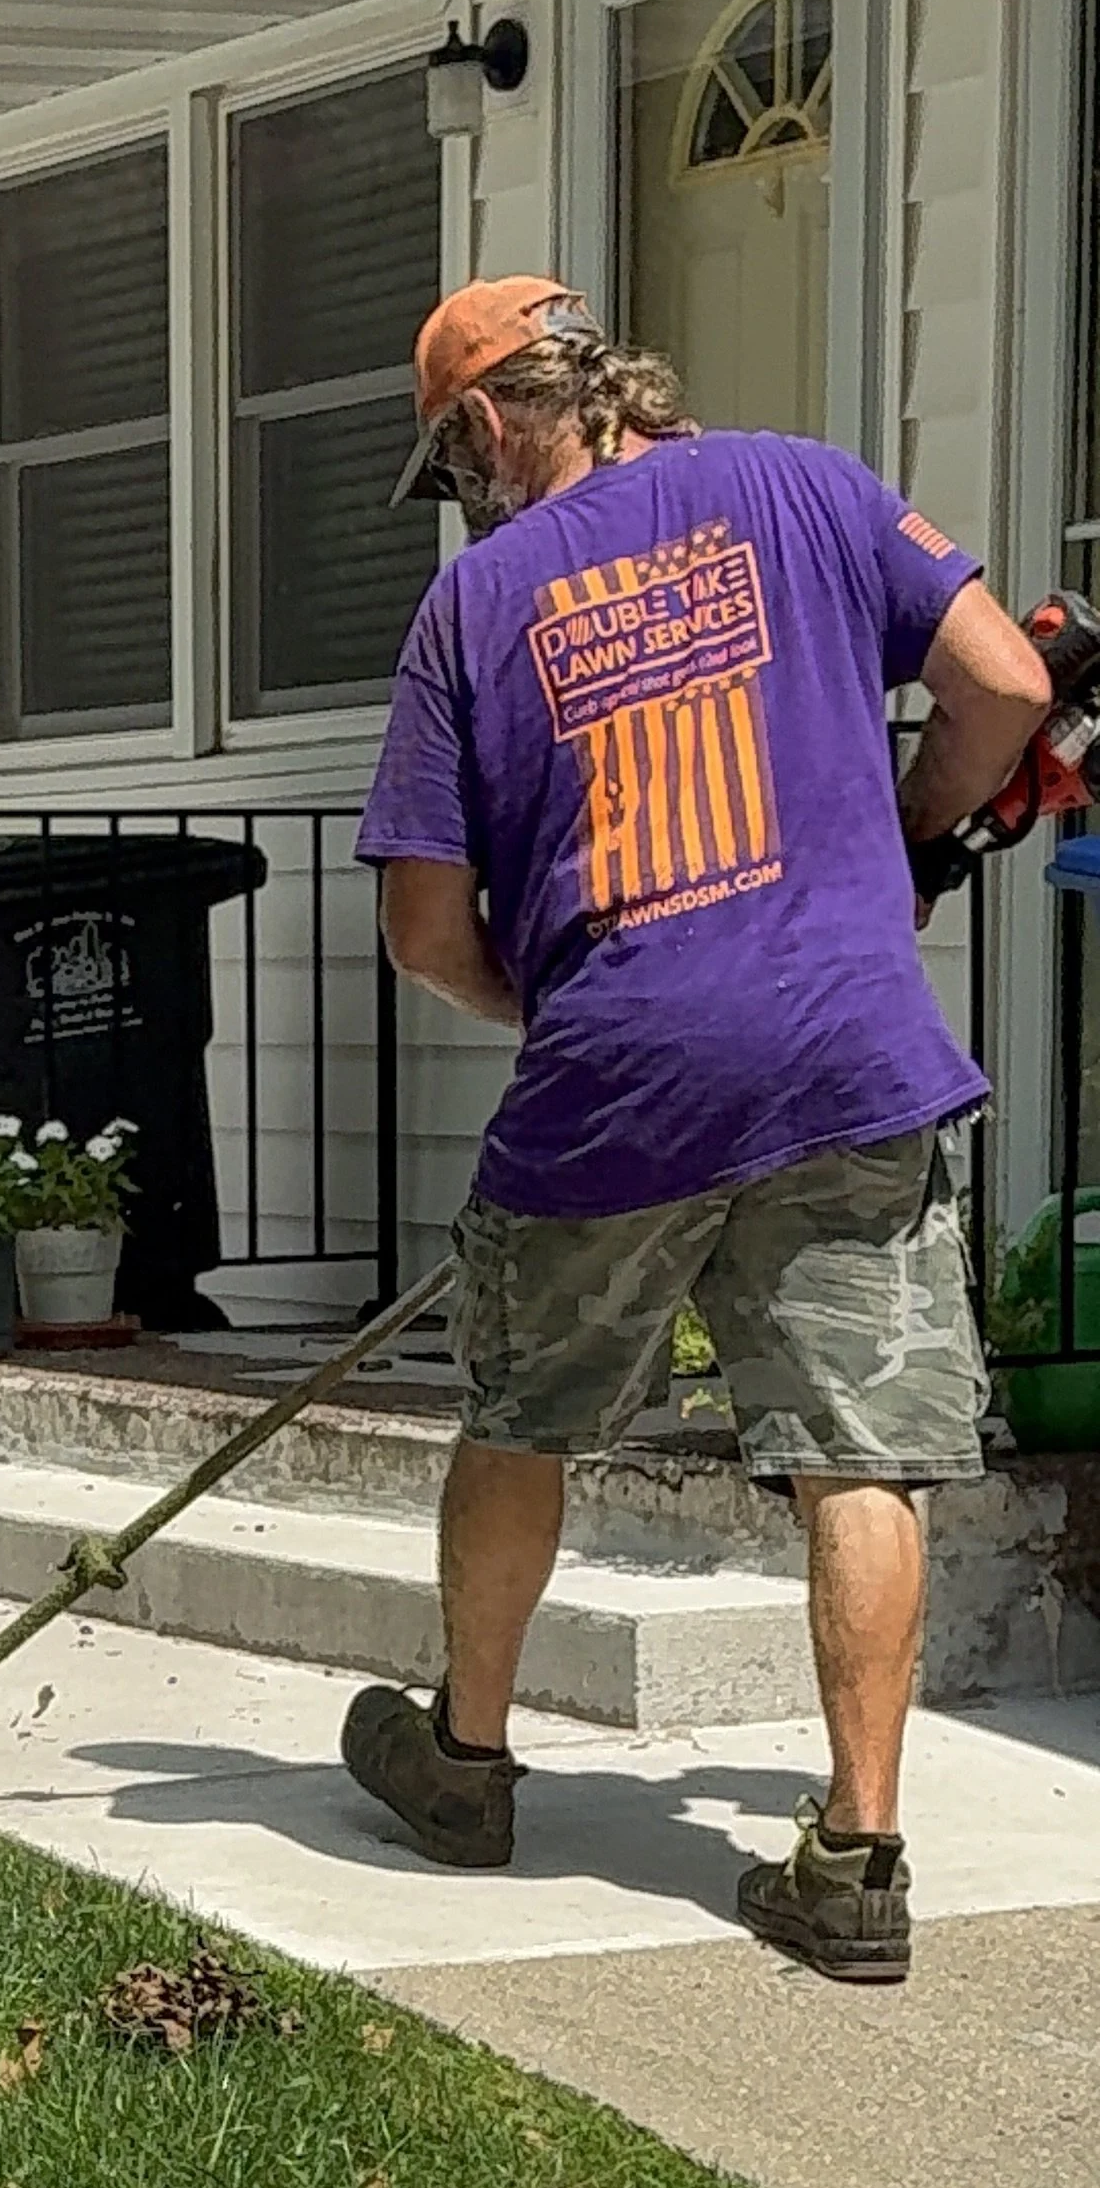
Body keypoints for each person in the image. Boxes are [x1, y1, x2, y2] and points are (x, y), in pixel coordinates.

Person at [349, 276, 1049, 1985]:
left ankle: (469, 1766)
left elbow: (428, 936)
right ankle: (859, 1855)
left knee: (525, 1413)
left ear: (493, 420)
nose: (471, 501)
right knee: (855, 1450)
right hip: (843, 1052)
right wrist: (902, 837)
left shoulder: (476, 609)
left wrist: (563, 999)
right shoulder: (810, 486)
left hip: (619, 1082)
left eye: (459, 466)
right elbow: (1011, 689)